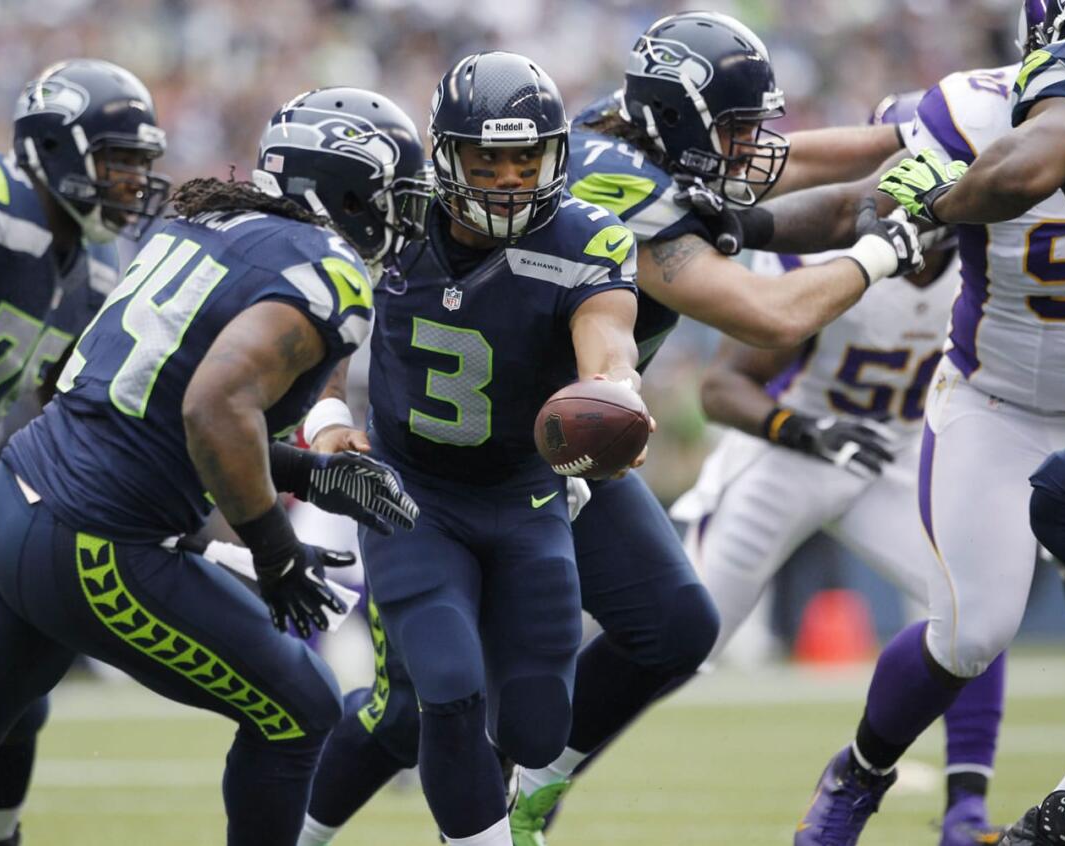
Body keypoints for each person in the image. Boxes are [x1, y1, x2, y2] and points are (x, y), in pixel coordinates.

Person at [296, 15, 928, 846]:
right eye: (734, 131)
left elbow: (788, 168)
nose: (755, 149)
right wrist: (883, 247)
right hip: (439, 470)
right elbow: (770, 313)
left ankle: (533, 784)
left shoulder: (595, 143)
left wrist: (911, 131)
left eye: (527, 163)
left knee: (670, 629)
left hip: (554, 458)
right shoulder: (564, 202)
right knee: (422, 702)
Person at [0, 86, 425, 846]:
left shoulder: (206, 228)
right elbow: (213, 410)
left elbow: (153, 415)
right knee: (301, 710)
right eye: (395, 195)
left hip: (11, 506)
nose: (404, 217)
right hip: (92, 539)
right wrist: (273, 551)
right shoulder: (326, 269)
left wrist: (306, 475)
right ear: (349, 190)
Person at [733, 1, 1065, 843]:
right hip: (1003, 406)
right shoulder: (982, 108)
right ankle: (861, 773)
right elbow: (863, 201)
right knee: (972, 630)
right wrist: (737, 223)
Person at [306, 49, 651, 846]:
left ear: (554, 156)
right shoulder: (394, 221)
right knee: (447, 690)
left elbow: (608, 341)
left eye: (525, 159)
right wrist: (325, 418)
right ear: (443, 154)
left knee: (534, 726)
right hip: (411, 494)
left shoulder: (584, 237)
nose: (506, 178)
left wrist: (616, 395)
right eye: (485, 159)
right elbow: (317, 325)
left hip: (526, 496)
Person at [668, 90, 1012, 846]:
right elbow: (722, 386)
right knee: (675, 640)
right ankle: (537, 774)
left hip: (895, 453)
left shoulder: (993, 261)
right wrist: (802, 427)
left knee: (974, 608)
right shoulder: (822, 252)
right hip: (788, 451)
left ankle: (966, 811)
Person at [0, 58, 167, 846]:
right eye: (117, 161)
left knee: (19, 690)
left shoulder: (94, 269)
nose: (131, 183)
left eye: (138, 165)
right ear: (55, 150)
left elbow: (80, 415)